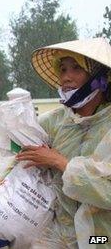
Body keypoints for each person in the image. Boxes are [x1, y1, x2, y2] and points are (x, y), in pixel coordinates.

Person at [14, 38, 111, 248]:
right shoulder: (54, 122)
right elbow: (16, 152)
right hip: (59, 235)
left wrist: (60, 162)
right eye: (63, 69)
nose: (66, 77)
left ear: (100, 78)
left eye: (76, 68)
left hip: (102, 238)